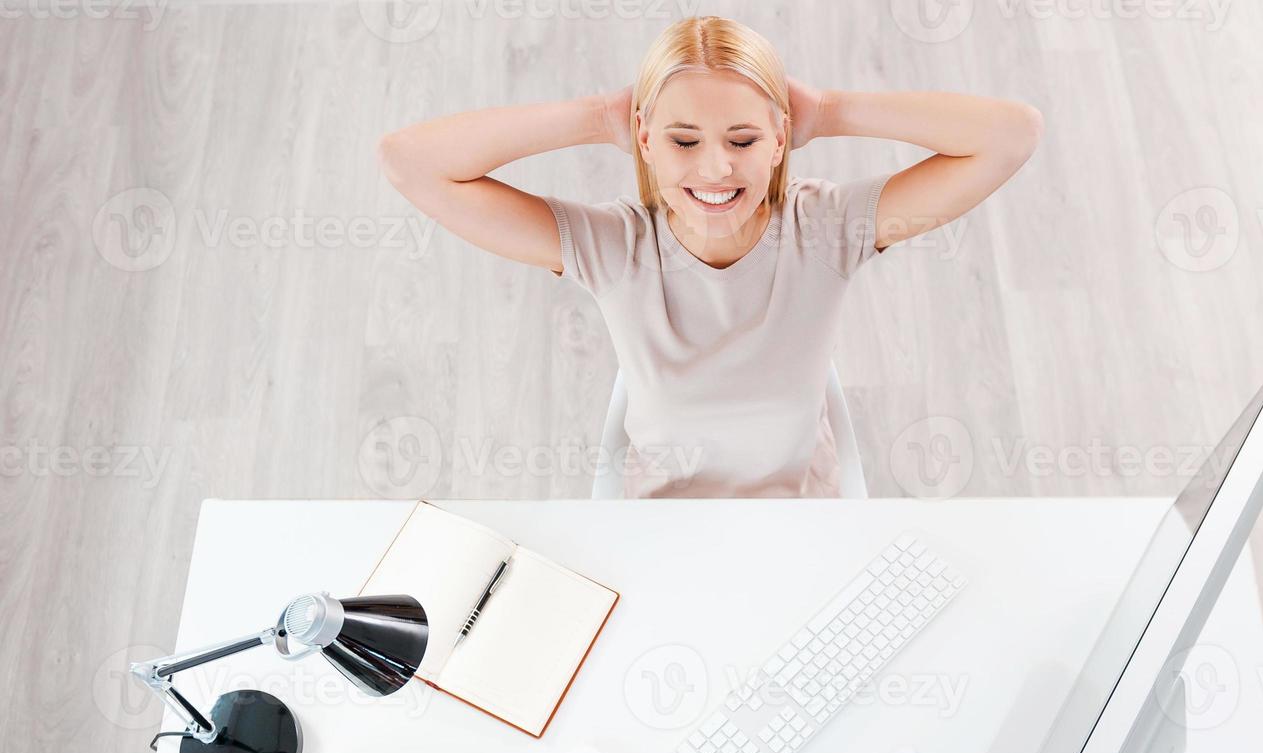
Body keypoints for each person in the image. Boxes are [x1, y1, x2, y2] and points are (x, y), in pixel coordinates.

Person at [378, 15, 1042, 498]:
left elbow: (1010, 136)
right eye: (684, 140)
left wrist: (830, 110)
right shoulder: (613, 249)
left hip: (799, 537)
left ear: (781, 139)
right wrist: (593, 115)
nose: (716, 169)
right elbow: (409, 163)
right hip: (665, 545)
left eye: (744, 138)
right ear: (644, 138)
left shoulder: (826, 231)